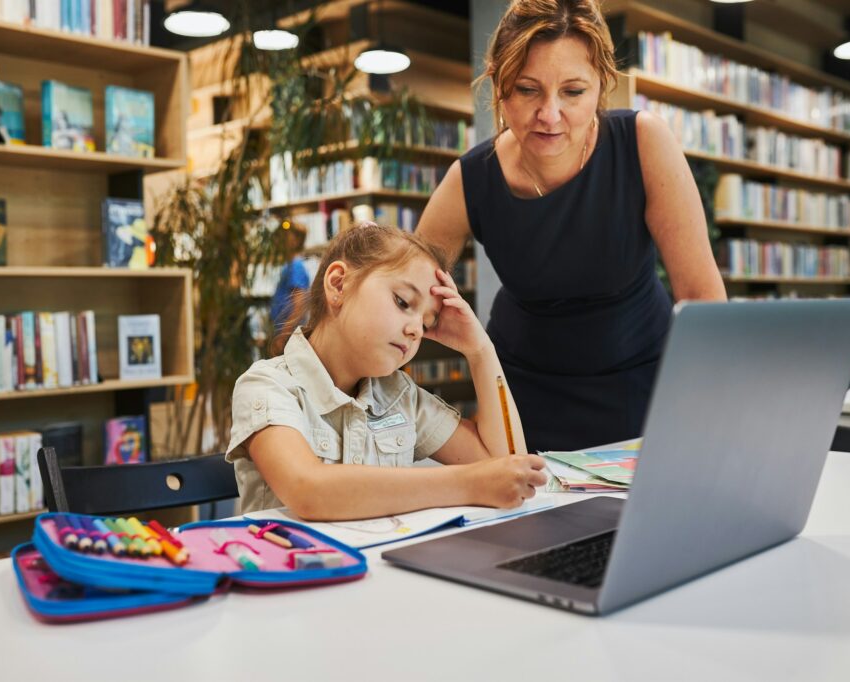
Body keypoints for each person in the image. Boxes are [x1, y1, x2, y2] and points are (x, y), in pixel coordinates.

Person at [415, 0, 726, 452]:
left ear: (602, 86)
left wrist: (713, 412)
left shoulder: (643, 143)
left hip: (647, 388)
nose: (550, 114)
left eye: (573, 91)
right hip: (522, 401)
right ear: (499, 87)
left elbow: (702, 298)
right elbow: (403, 290)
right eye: (527, 89)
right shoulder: (471, 177)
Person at [226, 222, 547, 520]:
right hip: (298, 578)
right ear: (338, 283)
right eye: (403, 302)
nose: (416, 331)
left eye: (427, 323)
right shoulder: (267, 386)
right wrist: (467, 483)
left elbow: (510, 470)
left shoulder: (399, 395)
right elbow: (308, 490)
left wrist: (480, 350)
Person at [269, 221, 310, 342]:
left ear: (296, 240)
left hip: (289, 337)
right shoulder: (289, 265)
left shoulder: (296, 266)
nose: (278, 240)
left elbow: (299, 305)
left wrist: (282, 337)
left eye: (284, 236)